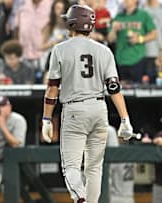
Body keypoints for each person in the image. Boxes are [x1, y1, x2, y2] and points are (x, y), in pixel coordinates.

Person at [41, 5, 136, 203]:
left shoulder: (59, 49)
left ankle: (81, 199)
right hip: (99, 109)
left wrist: (46, 119)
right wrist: (125, 119)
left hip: (75, 109)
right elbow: (114, 88)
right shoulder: (104, 50)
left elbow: (52, 90)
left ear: (71, 23)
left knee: (71, 166)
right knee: (94, 166)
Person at [0, 96, 27, 203]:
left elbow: (16, 144)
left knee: (14, 191)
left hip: (15, 162)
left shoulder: (18, 120)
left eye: (2, 106)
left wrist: (2, 126)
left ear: (9, 107)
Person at [107, 0, 157, 84]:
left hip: (138, 59)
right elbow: (110, 39)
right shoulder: (118, 17)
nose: (125, 1)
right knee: (122, 90)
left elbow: (154, 34)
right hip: (121, 59)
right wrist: (114, 30)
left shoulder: (143, 15)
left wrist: (139, 39)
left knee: (138, 90)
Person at [106, 125, 135, 203]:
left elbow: (108, 179)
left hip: (116, 197)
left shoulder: (116, 157)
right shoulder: (132, 155)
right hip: (130, 198)